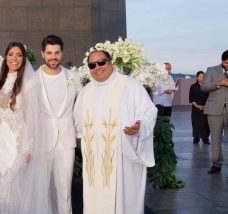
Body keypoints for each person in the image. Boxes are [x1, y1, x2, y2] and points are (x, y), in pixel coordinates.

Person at [73, 50, 157, 214]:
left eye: (101, 62)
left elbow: (148, 111)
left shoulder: (129, 85)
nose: (97, 67)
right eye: (92, 65)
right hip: (95, 160)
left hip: (122, 156)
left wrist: (140, 126)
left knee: (122, 200)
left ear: (110, 62)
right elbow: (78, 123)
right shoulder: (86, 91)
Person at [0, 42, 40, 214]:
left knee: (17, 186)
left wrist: (28, 148)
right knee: (2, 187)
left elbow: (33, 119)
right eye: (10, 54)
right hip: (0, 142)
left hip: (19, 144)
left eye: (19, 55)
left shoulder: (29, 84)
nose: (14, 58)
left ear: (24, 59)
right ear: (5, 57)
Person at [35, 35, 82, 214]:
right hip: (42, 141)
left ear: (62, 53)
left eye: (57, 53)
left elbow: (85, 103)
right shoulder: (32, 79)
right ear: (42, 54)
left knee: (64, 188)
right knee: (42, 188)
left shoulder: (73, 77)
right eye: (49, 53)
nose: (53, 57)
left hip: (66, 140)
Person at [201, 50, 228, 174]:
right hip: (214, 110)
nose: (227, 65)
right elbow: (204, 87)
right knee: (216, 138)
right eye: (226, 63)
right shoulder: (211, 70)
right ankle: (216, 164)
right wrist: (218, 83)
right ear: (221, 60)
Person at [189, 71, 210, 145]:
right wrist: (198, 106)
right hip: (196, 108)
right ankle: (196, 138)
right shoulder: (193, 86)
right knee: (196, 123)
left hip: (206, 108)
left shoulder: (207, 86)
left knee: (206, 123)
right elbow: (191, 98)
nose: (202, 77)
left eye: (203, 76)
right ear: (197, 77)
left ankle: (205, 138)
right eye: (200, 76)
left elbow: (210, 98)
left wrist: (205, 106)